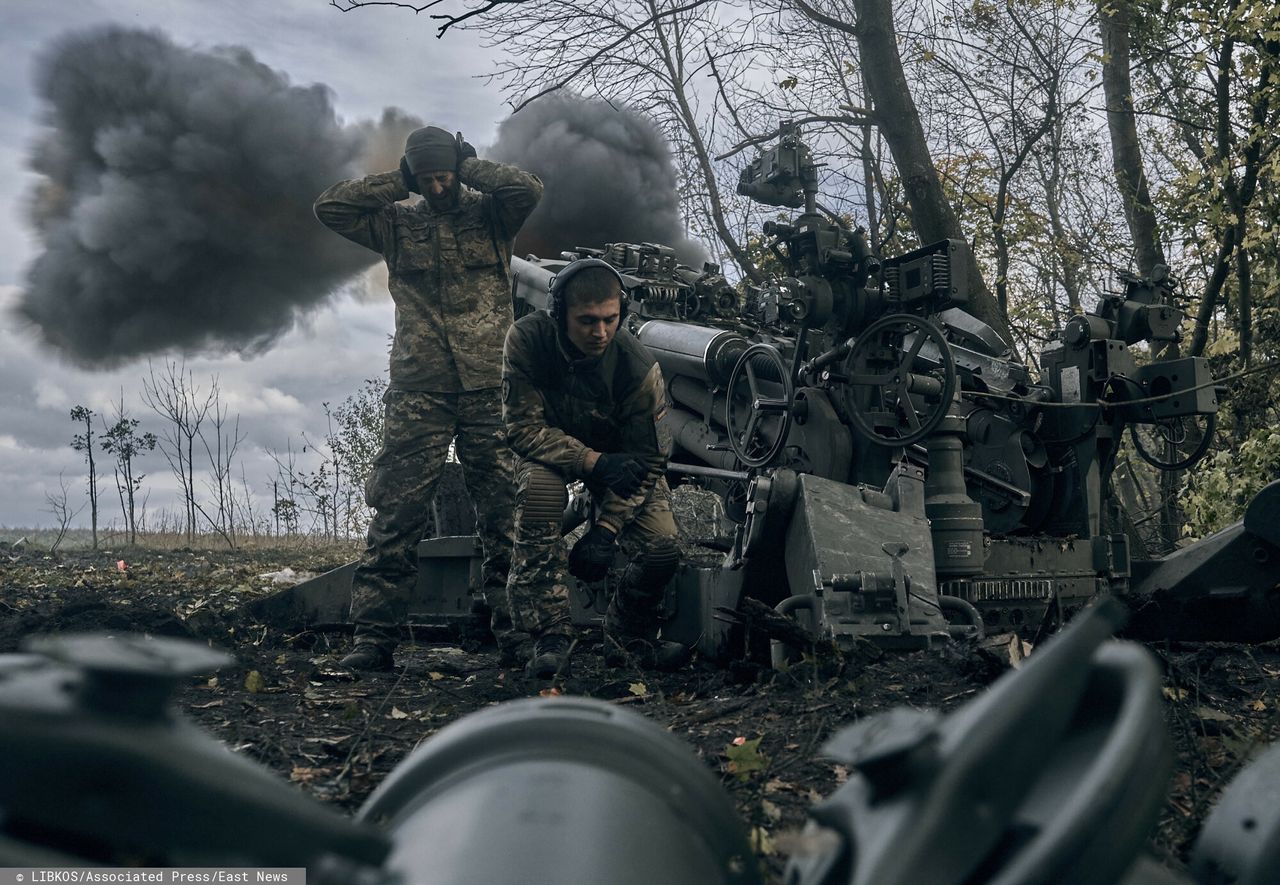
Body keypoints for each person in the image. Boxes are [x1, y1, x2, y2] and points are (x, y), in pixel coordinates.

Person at [314, 125, 542, 672]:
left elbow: (526, 189)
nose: (438, 188)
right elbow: (330, 207)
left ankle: (517, 637)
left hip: (491, 385)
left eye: (445, 177)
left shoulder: (492, 216)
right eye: (430, 178)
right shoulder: (395, 221)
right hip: (421, 388)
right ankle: (374, 639)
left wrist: (468, 167)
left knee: (506, 512)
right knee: (397, 511)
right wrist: (400, 180)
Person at [502, 258, 689, 678]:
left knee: (662, 546)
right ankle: (548, 632)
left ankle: (629, 639)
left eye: (610, 319)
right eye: (586, 320)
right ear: (558, 313)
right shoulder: (528, 340)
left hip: (623, 464)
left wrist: (605, 530)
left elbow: (652, 458)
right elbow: (521, 427)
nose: (600, 332)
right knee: (540, 495)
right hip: (550, 452)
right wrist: (591, 462)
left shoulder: (637, 367)